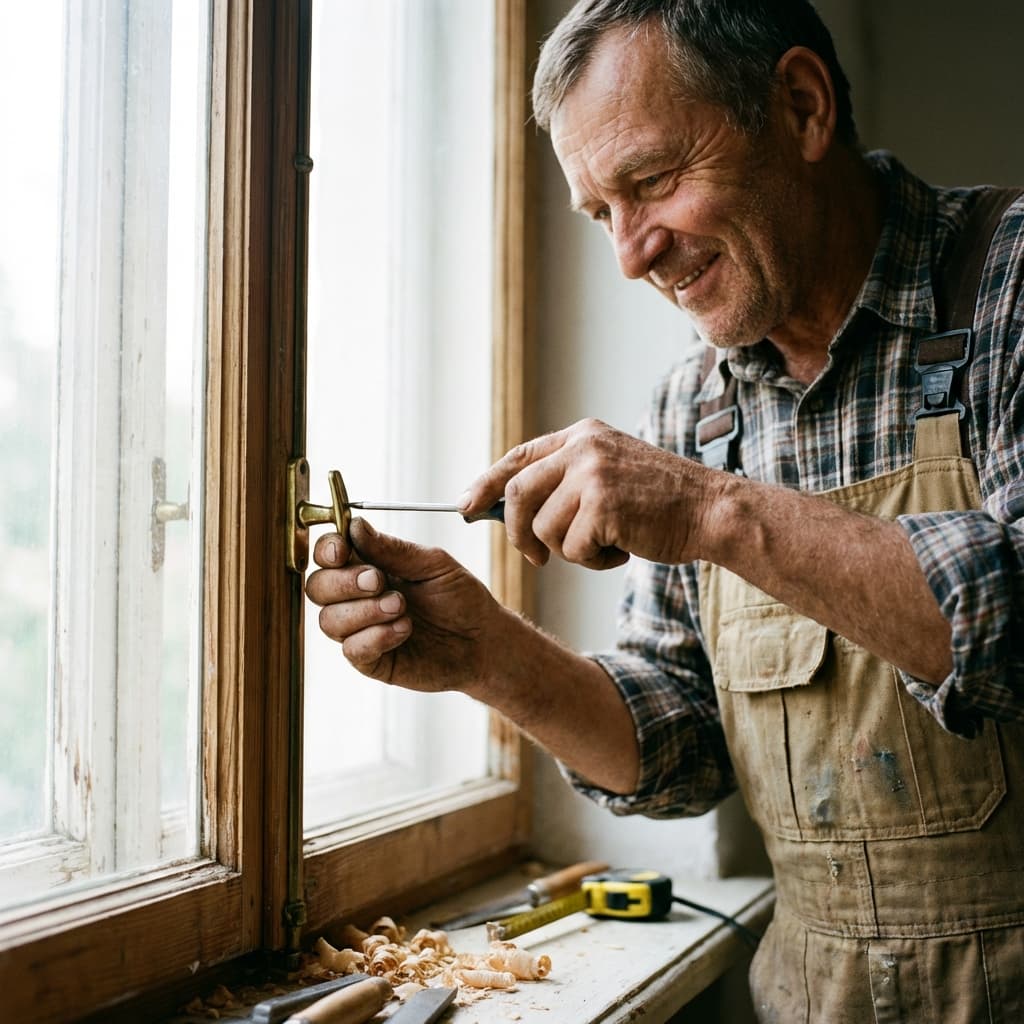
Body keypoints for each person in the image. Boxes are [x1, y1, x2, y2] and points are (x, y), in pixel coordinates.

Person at [306, 1, 1024, 1018]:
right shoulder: (695, 403)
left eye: (650, 182)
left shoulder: (1009, 284)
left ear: (801, 106)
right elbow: (680, 749)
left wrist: (710, 513)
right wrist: (487, 656)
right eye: (600, 212)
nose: (631, 255)